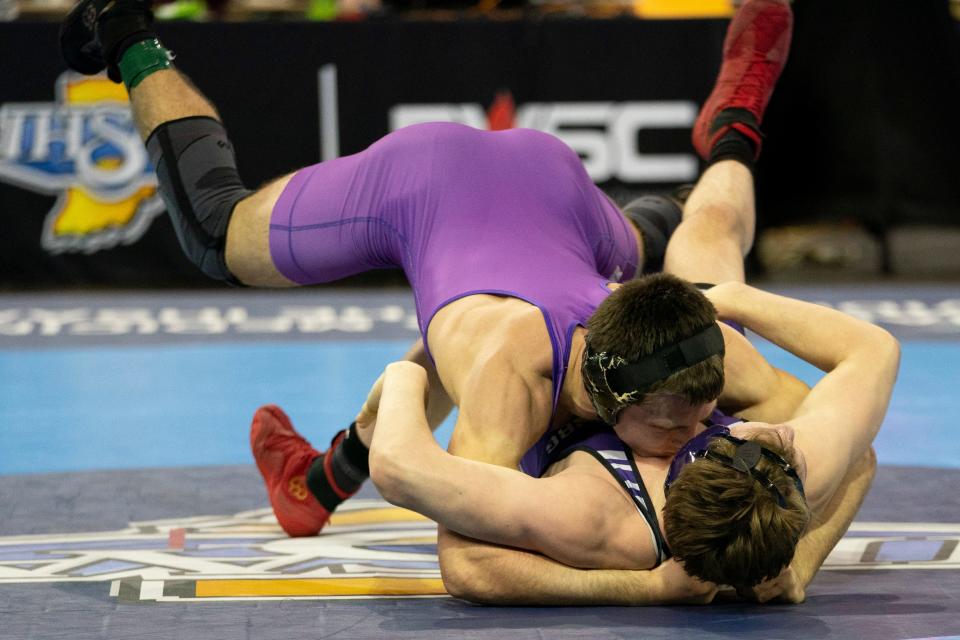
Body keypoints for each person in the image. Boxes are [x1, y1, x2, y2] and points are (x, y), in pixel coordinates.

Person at [58, 0, 843, 603]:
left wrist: (798, 564)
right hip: (427, 183)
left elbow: (851, 444)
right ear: (605, 393)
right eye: (667, 421)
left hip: (558, 194)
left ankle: (737, 122)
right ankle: (127, 30)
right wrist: (643, 587)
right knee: (216, 232)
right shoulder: (511, 379)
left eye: (691, 416)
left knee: (702, 253)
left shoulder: (701, 359)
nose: (683, 436)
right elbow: (465, 558)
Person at [362, 281, 897, 604]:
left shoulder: (603, 520)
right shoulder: (797, 465)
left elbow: (458, 553)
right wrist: (799, 567)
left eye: (731, 437)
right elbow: (871, 370)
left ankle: (651, 223)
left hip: (523, 340)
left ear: (688, 467)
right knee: (712, 235)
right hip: (646, 351)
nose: (761, 434)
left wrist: (406, 380)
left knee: (479, 334)